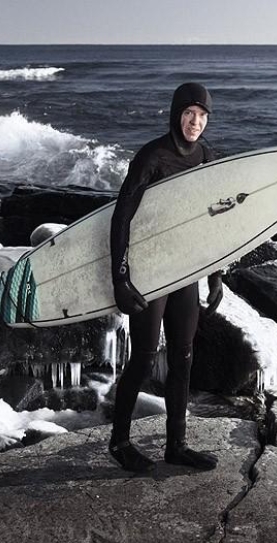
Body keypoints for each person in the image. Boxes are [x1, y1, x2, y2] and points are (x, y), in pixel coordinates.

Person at [108, 82, 223, 473]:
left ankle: (177, 445)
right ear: (176, 113)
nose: (196, 122)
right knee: (142, 358)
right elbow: (121, 216)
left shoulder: (206, 155)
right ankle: (120, 443)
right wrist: (120, 277)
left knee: (183, 357)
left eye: (203, 116)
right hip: (149, 268)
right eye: (190, 113)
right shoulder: (152, 156)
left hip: (184, 269)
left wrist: (216, 273)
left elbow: (209, 218)